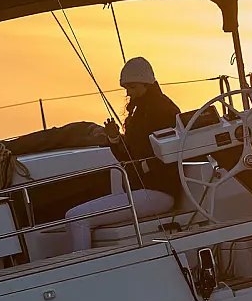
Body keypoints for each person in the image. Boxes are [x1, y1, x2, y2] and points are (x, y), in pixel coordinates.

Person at [65, 57, 181, 251]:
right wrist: (114, 139)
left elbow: (169, 153)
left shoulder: (163, 111)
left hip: (159, 192)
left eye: (132, 87)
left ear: (146, 84)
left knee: (76, 218)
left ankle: (85, 268)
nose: (128, 93)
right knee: (74, 216)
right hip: (144, 190)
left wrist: (142, 167)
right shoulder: (140, 111)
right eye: (126, 88)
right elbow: (129, 155)